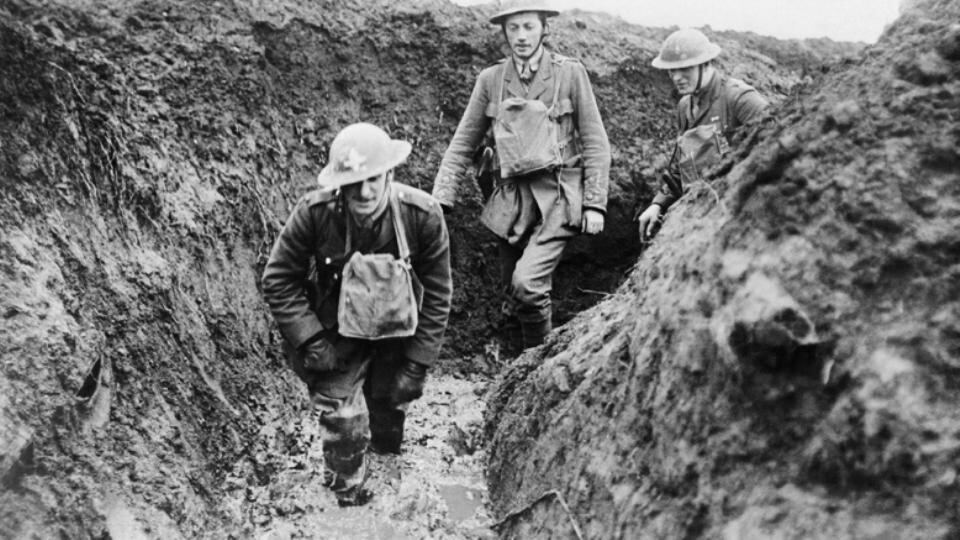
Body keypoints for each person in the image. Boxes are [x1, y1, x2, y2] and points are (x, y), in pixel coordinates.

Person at [261, 123, 452, 506]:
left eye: (374, 179)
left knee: (387, 416)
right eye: (354, 183)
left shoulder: (422, 215)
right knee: (344, 424)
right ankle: (346, 503)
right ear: (339, 185)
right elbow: (278, 279)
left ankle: (387, 491)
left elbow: (438, 293)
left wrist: (418, 364)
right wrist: (311, 339)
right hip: (336, 337)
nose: (364, 192)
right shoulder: (314, 214)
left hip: (395, 335)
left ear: (391, 174)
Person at [432, 0, 611, 350]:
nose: (521, 36)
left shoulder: (569, 74)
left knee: (527, 285)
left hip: (559, 195)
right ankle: (520, 370)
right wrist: (442, 195)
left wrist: (595, 204)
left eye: (528, 26)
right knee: (511, 292)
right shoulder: (491, 80)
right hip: (512, 200)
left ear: (545, 27)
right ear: (504, 32)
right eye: (513, 28)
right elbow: (462, 142)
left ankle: (535, 368)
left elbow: (595, 141)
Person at [637, 28, 770, 240]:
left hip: (734, 212)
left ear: (706, 64)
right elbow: (682, 166)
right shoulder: (685, 106)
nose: (677, 77)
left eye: (685, 69)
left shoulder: (738, 98)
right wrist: (657, 204)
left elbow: (777, 144)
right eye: (672, 71)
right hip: (695, 209)